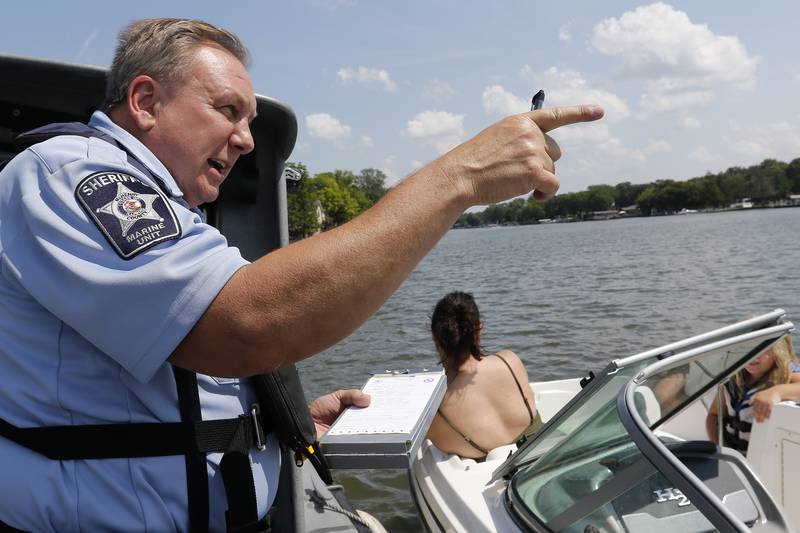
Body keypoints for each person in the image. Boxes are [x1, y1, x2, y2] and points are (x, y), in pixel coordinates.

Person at [0, 17, 603, 532]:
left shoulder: (166, 204)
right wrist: (461, 176)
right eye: (227, 110)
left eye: (251, 119)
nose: (242, 139)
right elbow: (243, 325)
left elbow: (135, 382)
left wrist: (265, 422)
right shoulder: (73, 174)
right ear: (145, 101)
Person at [425, 292, 543, 460]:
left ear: (434, 337)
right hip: (550, 456)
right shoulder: (509, 361)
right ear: (479, 330)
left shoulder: (437, 415)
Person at [706, 335, 800, 453]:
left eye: (761, 348)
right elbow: (713, 415)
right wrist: (720, 449)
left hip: (763, 460)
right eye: (747, 348)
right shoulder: (732, 380)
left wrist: (777, 392)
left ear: (778, 351)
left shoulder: (786, 377)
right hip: (733, 457)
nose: (753, 355)